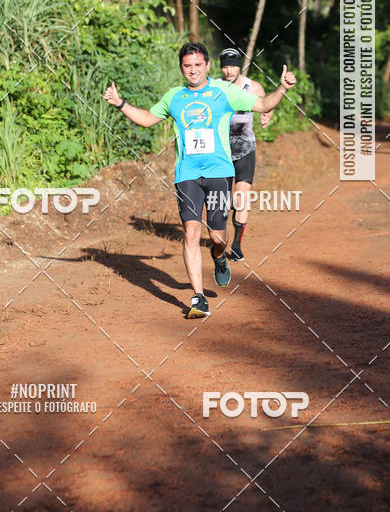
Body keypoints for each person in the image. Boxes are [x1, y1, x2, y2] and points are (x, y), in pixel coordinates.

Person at [103, 42, 296, 319]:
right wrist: (120, 103)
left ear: (207, 66)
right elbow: (146, 119)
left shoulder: (224, 92)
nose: (192, 70)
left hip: (219, 172)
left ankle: (219, 256)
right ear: (182, 68)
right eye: (187, 66)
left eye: (197, 65)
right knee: (190, 232)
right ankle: (199, 297)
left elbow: (263, 104)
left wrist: (283, 89)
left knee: (217, 236)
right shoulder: (174, 97)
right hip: (187, 175)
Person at [219, 47, 272, 261]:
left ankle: (237, 245)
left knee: (241, 196)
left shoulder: (253, 87)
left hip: (245, 148)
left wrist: (267, 116)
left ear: (239, 66)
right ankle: (219, 238)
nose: (228, 70)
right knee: (221, 200)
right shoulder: (216, 88)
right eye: (225, 66)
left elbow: (266, 104)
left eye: (232, 65)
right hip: (221, 149)